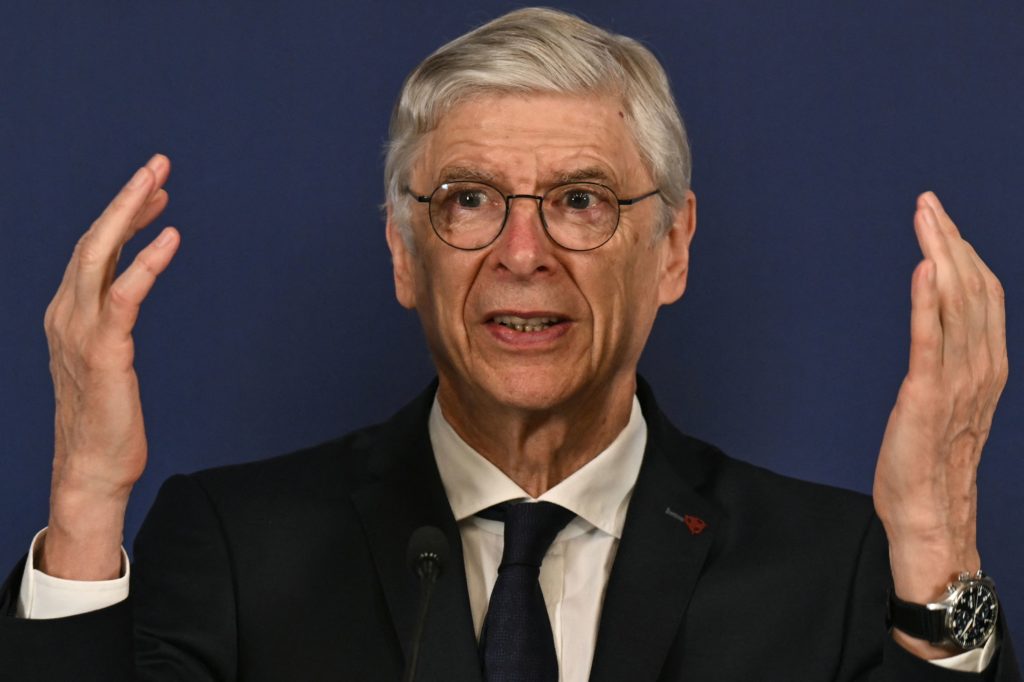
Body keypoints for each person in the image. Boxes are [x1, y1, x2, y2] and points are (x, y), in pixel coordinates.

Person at [0, 7, 1017, 681]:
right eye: (468, 200)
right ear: (406, 255)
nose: (521, 252)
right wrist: (85, 501)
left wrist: (941, 551)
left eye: (579, 200)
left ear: (671, 250)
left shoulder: (835, 564)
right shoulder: (233, 544)